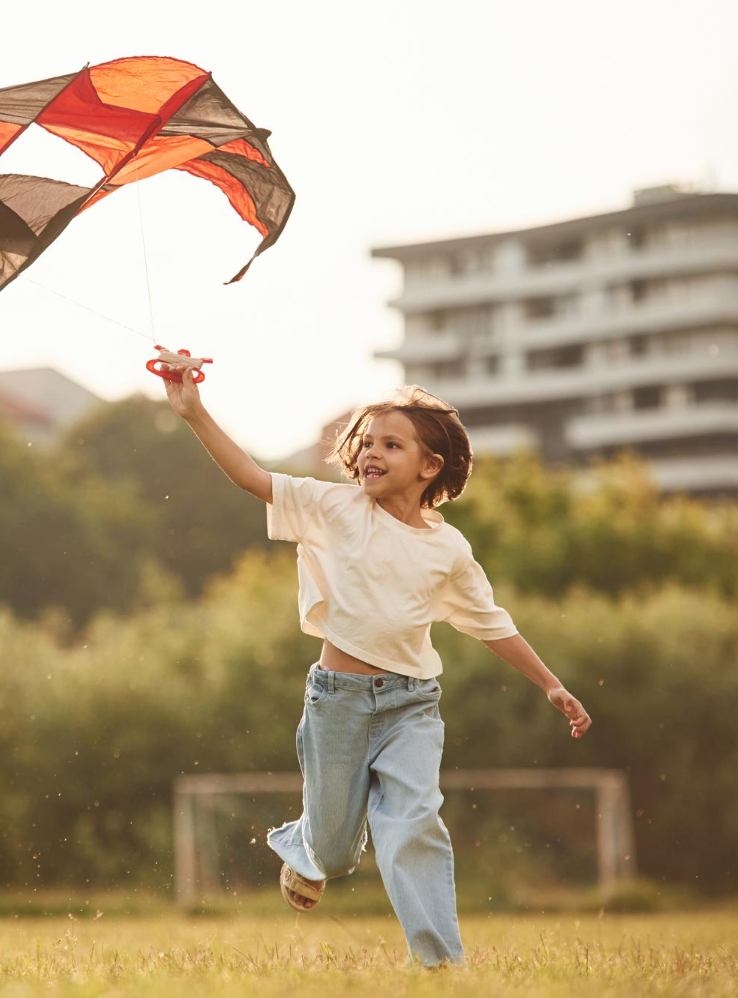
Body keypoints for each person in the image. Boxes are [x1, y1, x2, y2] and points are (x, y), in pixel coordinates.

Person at [161, 371, 592, 968]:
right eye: (367, 442)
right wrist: (193, 412)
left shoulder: (448, 550)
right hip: (336, 702)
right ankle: (306, 841)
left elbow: (491, 622)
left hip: (411, 705)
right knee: (335, 856)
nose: (371, 453)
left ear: (430, 466)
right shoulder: (335, 508)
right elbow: (251, 477)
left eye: (392, 444)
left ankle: (442, 965)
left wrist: (552, 684)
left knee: (415, 823)